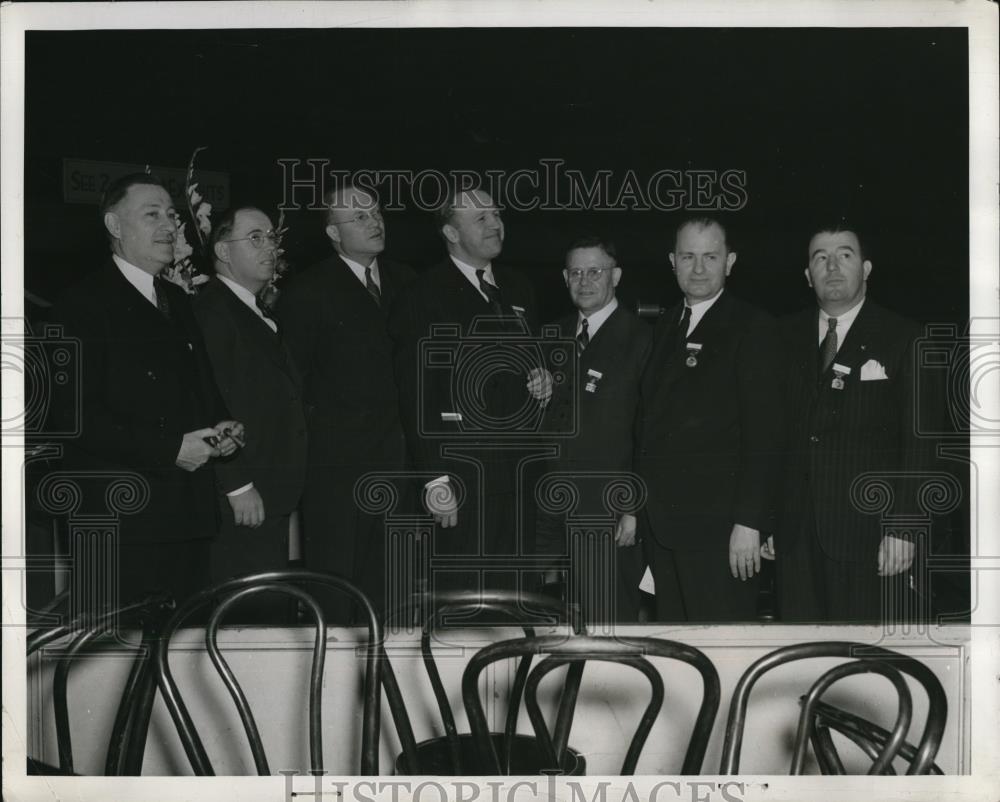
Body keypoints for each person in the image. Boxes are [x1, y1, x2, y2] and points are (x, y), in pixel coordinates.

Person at [50, 173, 242, 606]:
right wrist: (168, 448)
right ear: (115, 227)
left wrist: (222, 427)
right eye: (152, 214)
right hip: (120, 521)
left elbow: (201, 391)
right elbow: (70, 417)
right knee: (111, 663)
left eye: (172, 215)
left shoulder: (177, 300)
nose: (170, 226)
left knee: (179, 652)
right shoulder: (79, 306)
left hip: (185, 516)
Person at [388, 188, 552, 593]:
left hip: (519, 476)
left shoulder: (519, 288)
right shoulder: (422, 295)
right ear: (450, 232)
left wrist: (542, 379)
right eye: (480, 218)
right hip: (462, 479)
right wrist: (434, 480)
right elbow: (417, 393)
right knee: (465, 601)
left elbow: (528, 362)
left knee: (519, 599)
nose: (495, 223)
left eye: (496, 214)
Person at [632, 216, 784, 622]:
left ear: (729, 262)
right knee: (677, 651)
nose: (698, 268)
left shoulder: (754, 328)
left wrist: (750, 523)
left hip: (721, 532)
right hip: (663, 527)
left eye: (710, 256)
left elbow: (764, 435)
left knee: (721, 651)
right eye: (688, 256)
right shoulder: (665, 325)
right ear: (673, 261)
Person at [776, 223, 929, 622]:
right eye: (820, 258)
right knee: (800, 663)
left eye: (844, 255)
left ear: (866, 268)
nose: (832, 266)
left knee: (861, 670)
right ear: (808, 276)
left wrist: (905, 529)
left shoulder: (904, 337)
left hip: (869, 537)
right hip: (795, 538)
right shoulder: (782, 337)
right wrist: (768, 520)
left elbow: (921, 443)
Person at [276, 185, 413, 619]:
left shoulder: (409, 284)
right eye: (360, 218)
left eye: (376, 213)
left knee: (392, 594)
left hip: (398, 465)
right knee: (336, 594)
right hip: (335, 473)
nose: (375, 222)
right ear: (334, 233)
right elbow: (292, 387)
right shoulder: (307, 292)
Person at [193, 206, 307, 620]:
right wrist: (237, 484)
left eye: (272, 237)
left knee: (265, 616)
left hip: (269, 493)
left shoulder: (256, 311)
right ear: (223, 250)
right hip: (243, 499)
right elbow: (207, 404)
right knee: (245, 622)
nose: (270, 247)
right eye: (255, 238)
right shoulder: (212, 312)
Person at [535, 236, 651, 623]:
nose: (584, 281)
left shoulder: (642, 339)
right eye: (576, 272)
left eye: (595, 271)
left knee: (608, 620)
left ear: (615, 276)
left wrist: (633, 508)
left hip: (608, 508)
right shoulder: (551, 335)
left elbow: (648, 432)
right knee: (549, 622)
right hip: (550, 509)